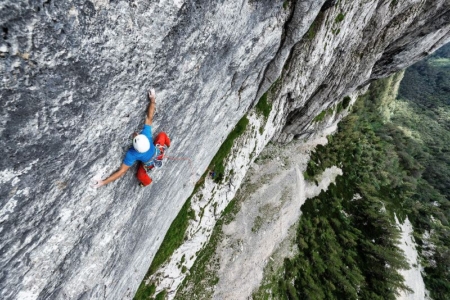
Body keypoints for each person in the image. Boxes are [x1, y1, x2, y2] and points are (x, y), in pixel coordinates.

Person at [93, 89, 170, 188]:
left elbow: (122, 171)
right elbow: (149, 117)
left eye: (135, 136)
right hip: (158, 152)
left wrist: (103, 182)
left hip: (150, 163)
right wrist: (152, 99)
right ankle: (168, 144)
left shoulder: (132, 154)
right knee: (162, 135)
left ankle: (147, 182)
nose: (136, 134)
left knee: (140, 175)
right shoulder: (146, 134)